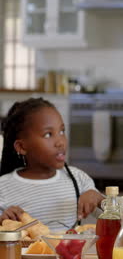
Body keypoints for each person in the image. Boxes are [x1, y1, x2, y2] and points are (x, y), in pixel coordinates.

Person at [0, 98, 104, 231]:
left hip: (69, 251)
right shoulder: (3, 187)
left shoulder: (78, 179)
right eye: (48, 134)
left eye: (62, 131)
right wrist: (3, 221)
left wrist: (99, 199)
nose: (60, 142)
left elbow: (120, 218)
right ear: (21, 146)